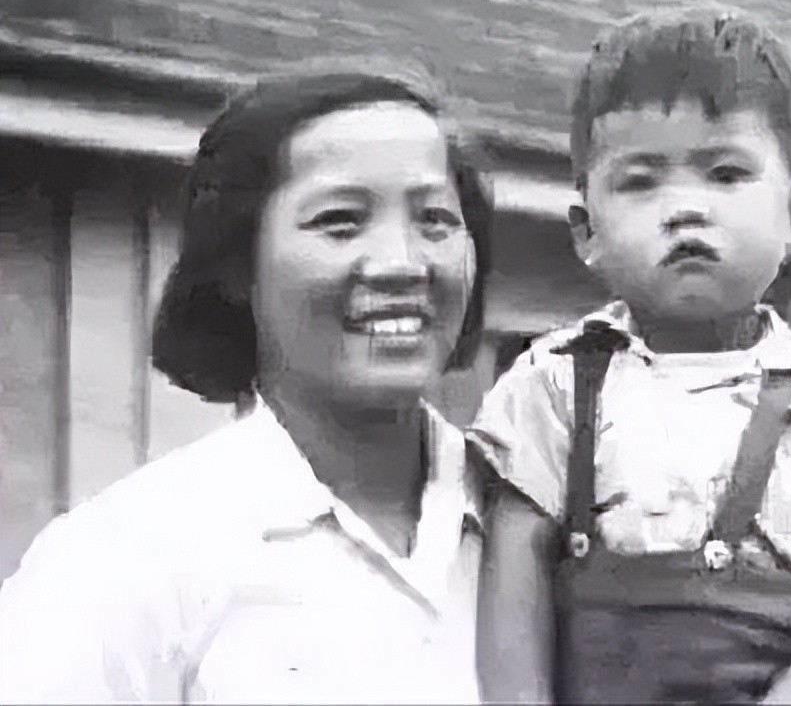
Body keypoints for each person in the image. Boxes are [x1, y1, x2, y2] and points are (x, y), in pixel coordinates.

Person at [469, 8, 791, 704]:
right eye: (641, 182)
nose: (686, 209)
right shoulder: (551, 386)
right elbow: (513, 584)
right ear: (586, 230)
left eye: (725, 174)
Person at [0, 71, 494, 704]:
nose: (401, 263)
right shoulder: (122, 560)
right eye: (340, 222)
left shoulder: (540, 521)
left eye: (435, 219)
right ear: (237, 263)